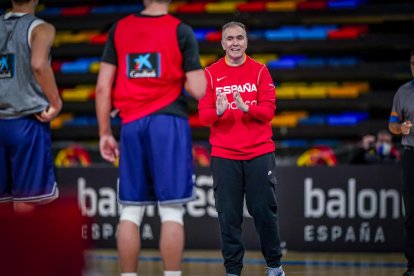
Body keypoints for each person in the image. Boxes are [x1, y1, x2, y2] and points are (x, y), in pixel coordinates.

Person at [95, 0, 206, 275]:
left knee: (130, 212)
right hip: (168, 123)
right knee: (171, 212)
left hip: (131, 125)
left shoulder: (119, 28)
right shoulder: (181, 31)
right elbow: (197, 88)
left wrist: (104, 133)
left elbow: (102, 88)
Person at [198, 21, 284, 276]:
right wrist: (219, 111)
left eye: (240, 38)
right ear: (222, 43)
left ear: (246, 41)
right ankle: (233, 271)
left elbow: (269, 111)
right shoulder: (210, 74)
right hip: (225, 156)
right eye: (230, 38)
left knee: (263, 211)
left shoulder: (260, 71)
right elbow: (204, 117)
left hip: (259, 153)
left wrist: (249, 108)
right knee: (229, 216)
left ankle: (274, 267)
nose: (235, 43)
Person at [0, 0, 62, 214]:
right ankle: (25, 249)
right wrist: (55, 102)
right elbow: (38, 64)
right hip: (26, 122)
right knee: (27, 200)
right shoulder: (42, 28)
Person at [389, 50, 414, 276]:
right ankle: (412, 265)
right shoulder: (403, 92)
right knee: (411, 213)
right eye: (413, 63)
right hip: (410, 153)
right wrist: (401, 129)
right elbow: (392, 125)